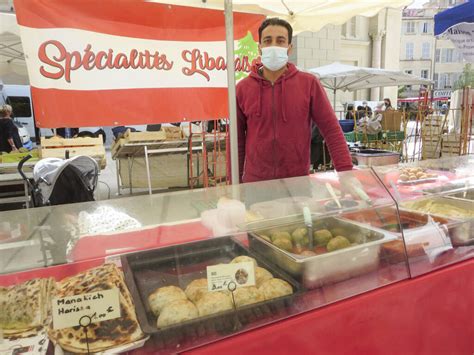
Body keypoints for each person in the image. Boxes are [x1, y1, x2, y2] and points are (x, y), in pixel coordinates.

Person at [235, 18, 352, 183]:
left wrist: (346, 173)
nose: (273, 45)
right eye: (268, 41)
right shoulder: (243, 88)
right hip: (256, 184)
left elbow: (331, 130)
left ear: (289, 48)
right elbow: (236, 140)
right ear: (259, 47)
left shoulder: (309, 84)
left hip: (298, 183)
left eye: (280, 41)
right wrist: (234, 184)